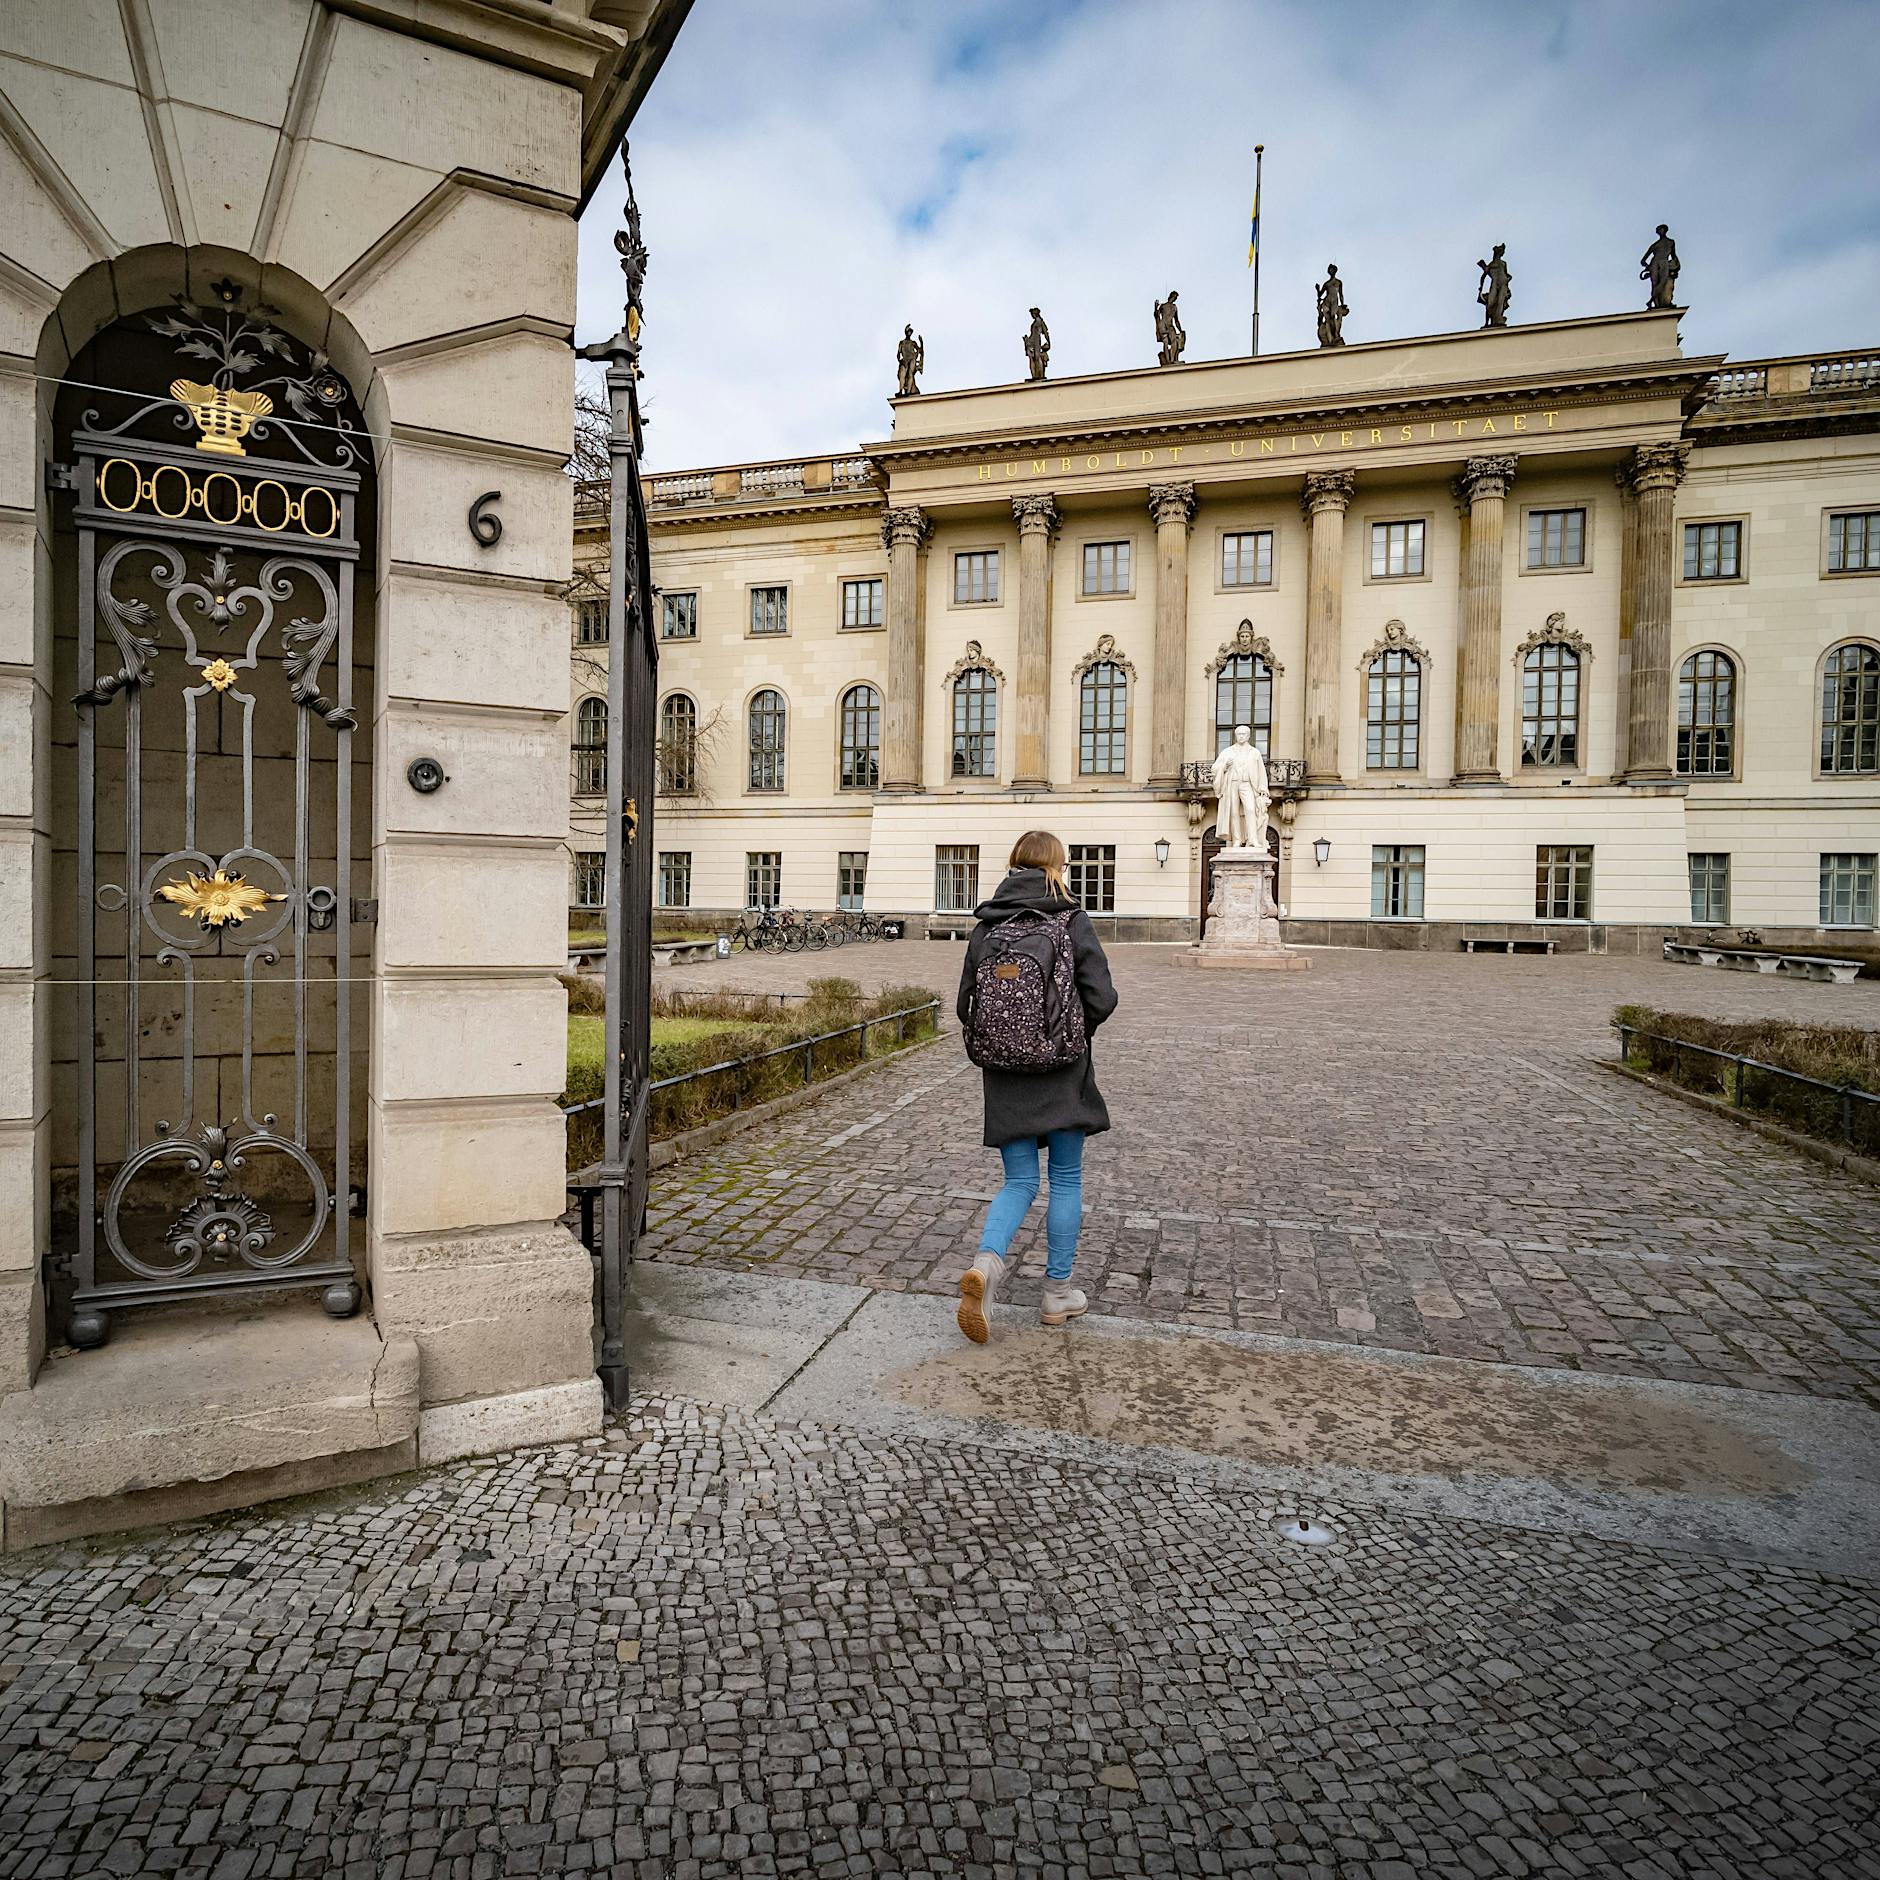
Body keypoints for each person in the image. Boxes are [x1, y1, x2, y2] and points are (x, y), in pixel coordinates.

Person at [954, 830, 1118, 1343]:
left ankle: (986, 1264)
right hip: (1062, 1067)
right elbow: (1103, 997)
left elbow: (965, 1005)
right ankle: (1057, 1293)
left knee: (1019, 1182)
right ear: (1057, 868)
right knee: (1065, 1180)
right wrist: (1068, 1031)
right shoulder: (1070, 919)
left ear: (1013, 865)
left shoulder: (987, 926)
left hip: (1003, 1070)